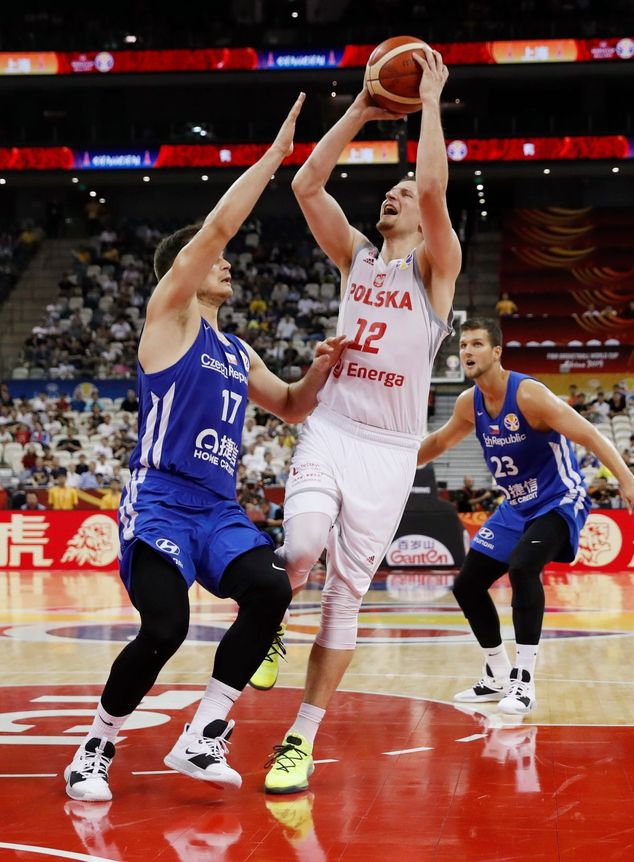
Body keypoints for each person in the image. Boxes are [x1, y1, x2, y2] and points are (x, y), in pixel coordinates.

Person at [64, 93, 347, 804]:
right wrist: (274, 158)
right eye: (215, 260)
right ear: (188, 271)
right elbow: (218, 226)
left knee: (270, 589)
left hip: (218, 509)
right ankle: (96, 747)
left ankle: (204, 732)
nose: (228, 265)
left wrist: (323, 365)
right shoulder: (168, 318)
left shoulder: (235, 347)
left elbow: (289, 406)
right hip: (160, 499)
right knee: (166, 624)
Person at [257, 50, 460, 794]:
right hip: (335, 427)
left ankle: (300, 741)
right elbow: (308, 183)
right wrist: (362, 111)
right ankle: (275, 617)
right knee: (302, 544)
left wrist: (430, 101)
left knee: (346, 596)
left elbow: (436, 186)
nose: (397, 195)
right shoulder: (356, 258)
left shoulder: (436, 271)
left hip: (390, 451)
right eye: (393, 190)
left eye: (405, 192)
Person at [418, 318, 634, 715]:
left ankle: (524, 681)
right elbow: (440, 442)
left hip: (560, 499)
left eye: (477, 344)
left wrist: (627, 481)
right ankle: (496, 674)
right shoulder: (468, 403)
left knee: (524, 567)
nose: (467, 352)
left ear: (496, 352)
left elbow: (591, 436)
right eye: (463, 346)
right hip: (516, 506)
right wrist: (393, 470)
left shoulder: (529, 394)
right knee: (467, 585)